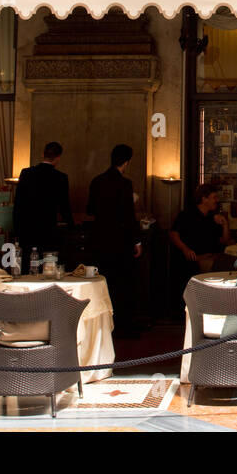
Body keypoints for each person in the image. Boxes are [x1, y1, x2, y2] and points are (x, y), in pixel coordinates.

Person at [88, 144, 142, 336]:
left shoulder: (97, 181)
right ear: (126, 162)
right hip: (121, 240)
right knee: (123, 283)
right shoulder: (125, 184)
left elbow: (90, 210)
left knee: (105, 281)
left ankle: (103, 322)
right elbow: (129, 216)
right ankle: (122, 324)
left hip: (101, 239)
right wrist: (137, 241)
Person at [12, 141, 72, 268]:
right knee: (47, 267)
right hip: (48, 230)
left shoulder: (26, 173)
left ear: (42, 154)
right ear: (58, 157)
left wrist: (16, 230)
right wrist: (70, 225)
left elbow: (18, 204)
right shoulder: (60, 178)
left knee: (27, 266)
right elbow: (64, 207)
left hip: (27, 229)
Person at [170, 183, 233, 273]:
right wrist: (185, 249)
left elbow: (225, 241)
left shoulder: (213, 217)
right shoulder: (187, 215)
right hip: (194, 261)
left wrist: (225, 225)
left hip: (213, 257)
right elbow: (173, 234)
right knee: (233, 267)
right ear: (204, 199)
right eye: (214, 197)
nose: (217, 200)